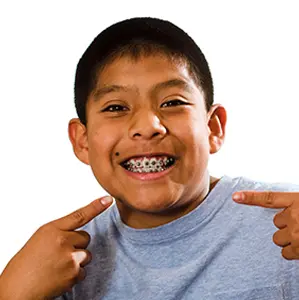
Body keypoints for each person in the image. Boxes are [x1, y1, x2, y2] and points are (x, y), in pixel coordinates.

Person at [1, 17, 299, 300]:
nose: (147, 127)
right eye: (115, 108)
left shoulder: (288, 224)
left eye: (173, 102)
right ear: (82, 141)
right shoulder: (58, 264)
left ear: (213, 127)